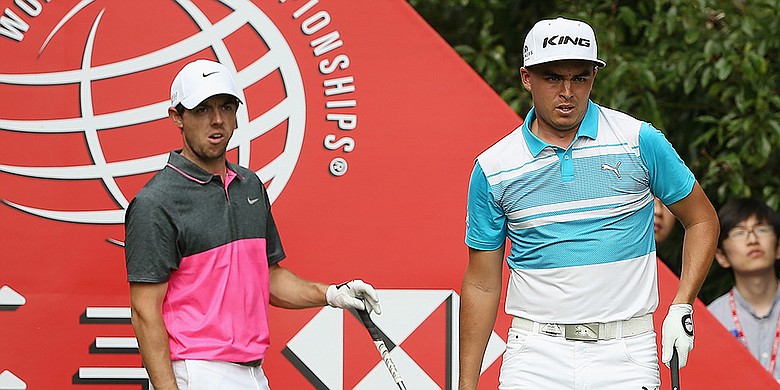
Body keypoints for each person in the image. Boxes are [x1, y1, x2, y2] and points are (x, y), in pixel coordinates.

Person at [458, 17, 719, 389]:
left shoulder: (639, 139)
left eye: (579, 77)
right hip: (534, 355)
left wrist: (683, 304)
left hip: (627, 353)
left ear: (593, 78)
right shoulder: (494, 166)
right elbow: (482, 284)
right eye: (552, 77)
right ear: (526, 78)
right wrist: (466, 385)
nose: (567, 91)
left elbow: (702, 220)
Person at [124, 59, 381, 390]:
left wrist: (333, 294)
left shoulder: (250, 185)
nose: (217, 120)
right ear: (177, 116)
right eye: (202, 109)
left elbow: (269, 277)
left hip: (252, 373)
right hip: (195, 371)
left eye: (226, 107)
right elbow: (145, 312)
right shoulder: (155, 202)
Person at [707, 198, 780, 381]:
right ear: (722, 256)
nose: (753, 240)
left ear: (778, 247)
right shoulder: (711, 320)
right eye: (739, 233)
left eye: (762, 229)